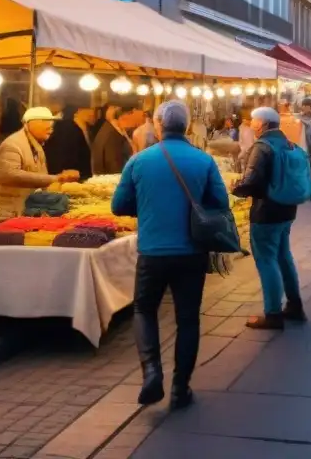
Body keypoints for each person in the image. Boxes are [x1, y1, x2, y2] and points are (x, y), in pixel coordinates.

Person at [112, 101, 230, 409]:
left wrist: (150, 206)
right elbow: (219, 201)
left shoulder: (139, 161)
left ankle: (151, 370)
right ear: (188, 126)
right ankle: (180, 387)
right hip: (192, 251)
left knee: (144, 310)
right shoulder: (203, 160)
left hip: (152, 250)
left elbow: (119, 206)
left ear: (158, 125)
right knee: (188, 319)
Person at [232, 107, 305, 330]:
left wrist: (235, 187)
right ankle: (294, 305)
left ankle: (273, 313)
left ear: (262, 124)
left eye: (254, 121)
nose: (252, 125)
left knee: (266, 260)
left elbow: (251, 181)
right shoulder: (288, 143)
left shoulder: (262, 147)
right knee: (283, 256)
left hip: (266, 212)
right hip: (287, 209)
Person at [0, 108, 79, 216]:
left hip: (26, 208)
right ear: (31, 123)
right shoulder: (12, 144)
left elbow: (42, 179)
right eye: (46, 122)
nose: (51, 127)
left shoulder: (37, 146)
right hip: (5, 211)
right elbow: (9, 175)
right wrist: (57, 178)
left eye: (51, 123)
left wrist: (62, 183)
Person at [45, 105, 95, 180]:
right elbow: (63, 155)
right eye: (91, 109)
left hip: (75, 178)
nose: (93, 113)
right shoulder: (67, 129)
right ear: (79, 111)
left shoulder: (84, 129)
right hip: (68, 179)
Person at [91, 103, 134, 176]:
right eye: (131, 114)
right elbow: (112, 163)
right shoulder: (111, 134)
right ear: (123, 117)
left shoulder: (112, 129)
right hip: (112, 179)